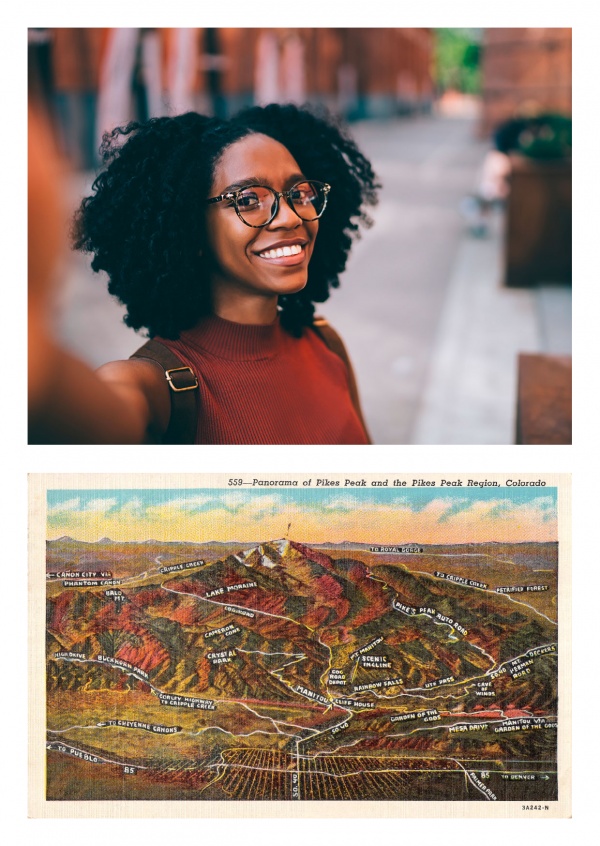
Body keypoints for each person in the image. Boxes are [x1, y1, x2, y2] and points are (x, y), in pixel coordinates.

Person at [66, 103, 378, 444]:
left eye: (300, 193)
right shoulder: (155, 389)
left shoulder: (326, 345)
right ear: (192, 227)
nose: (290, 217)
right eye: (247, 200)